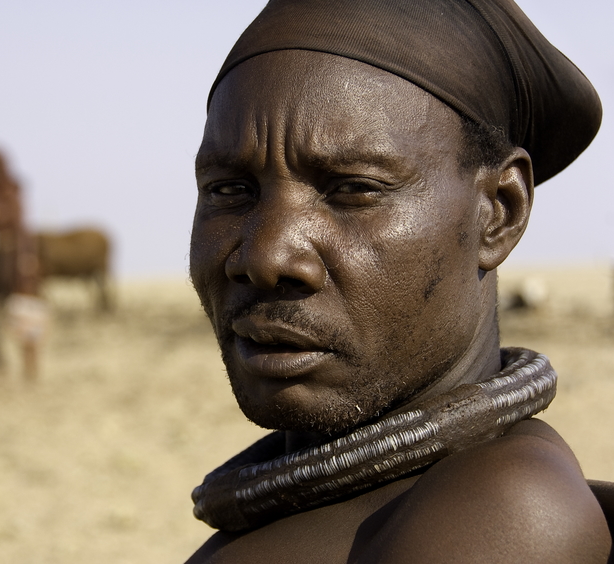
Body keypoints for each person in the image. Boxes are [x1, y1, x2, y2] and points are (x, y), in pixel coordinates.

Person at [185, 0, 610, 561]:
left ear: (499, 213)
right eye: (229, 190)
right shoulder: (327, 503)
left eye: (353, 189)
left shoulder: (497, 512)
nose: (265, 256)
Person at [0, 149, 45, 381]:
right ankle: (0, 365)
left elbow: (16, 221)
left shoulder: (10, 188)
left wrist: (26, 262)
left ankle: (29, 371)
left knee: (25, 316)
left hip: (16, 258)